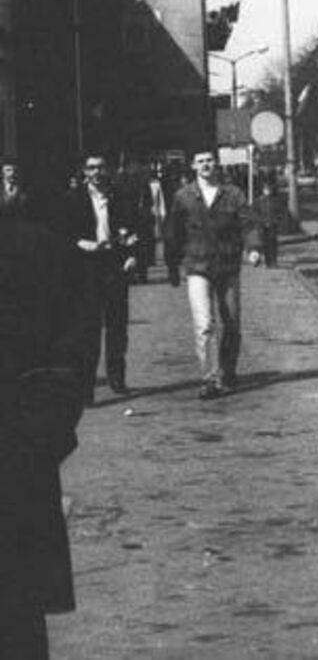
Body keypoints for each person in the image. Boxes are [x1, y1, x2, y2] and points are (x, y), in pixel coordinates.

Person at [0, 211, 89, 659]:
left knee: (13, 626)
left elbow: (70, 348)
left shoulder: (30, 246)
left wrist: (34, 443)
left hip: (9, 477)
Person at [165, 149, 263, 399]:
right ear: (193, 166)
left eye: (209, 160)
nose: (206, 165)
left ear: (216, 164)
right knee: (204, 324)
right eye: (200, 161)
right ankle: (209, 379)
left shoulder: (233, 194)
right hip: (197, 267)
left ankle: (228, 371)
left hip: (228, 267)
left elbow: (248, 223)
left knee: (231, 323)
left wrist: (253, 248)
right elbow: (173, 232)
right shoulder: (183, 197)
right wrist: (172, 264)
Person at [59, 153, 139, 402]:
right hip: (86, 268)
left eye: (101, 167)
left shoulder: (119, 196)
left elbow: (135, 227)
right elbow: (63, 233)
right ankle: (86, 387)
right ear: (84, 172)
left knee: (117, 324)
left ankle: (117, 378)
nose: (96, 172)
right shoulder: (72, 199)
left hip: (115, 263)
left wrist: (132, 254)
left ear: (108, 170)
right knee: (88, 329)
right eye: (91, 168)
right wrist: (81, 243)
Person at [251, 177, 288, 268]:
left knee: (273, 244)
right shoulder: (258, 201)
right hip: (262, 226)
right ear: (263, 190)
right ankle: (267, 262)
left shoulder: (275, 200)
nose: (267, 191)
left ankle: (273, 262)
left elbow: (280, 212)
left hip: (272, 225)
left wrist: (277, 221)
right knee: (264, 245)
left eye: (269, 189)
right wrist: (259, 222)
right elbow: (254, 213)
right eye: (266, 189)